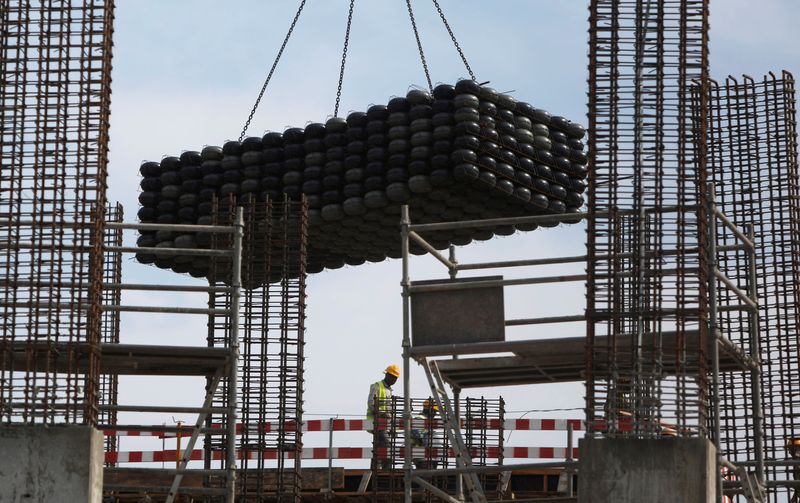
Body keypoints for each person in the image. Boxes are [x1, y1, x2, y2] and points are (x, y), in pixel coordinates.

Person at [367, 364, 400, 470]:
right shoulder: (377, 386)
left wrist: (392, 426)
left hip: (385, 425)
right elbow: (371, 403)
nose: (394, 380)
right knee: (387, 447)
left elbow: (390, 409)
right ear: (388, 375)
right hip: (376, 423)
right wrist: (383, 413)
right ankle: (386, 470)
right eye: (393, 377)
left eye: (396, 378)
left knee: (379, 447)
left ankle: (376, 469)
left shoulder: (389, 390)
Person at [411, 399, 439, 469]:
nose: (435, 414)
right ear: (429, 410)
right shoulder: (420, 418)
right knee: (424, 474)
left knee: (429, 475)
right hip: (421, 454)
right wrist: (423, 440)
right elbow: (416, 433)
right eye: (434, 411)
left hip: (429, 455)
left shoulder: (428, 421)